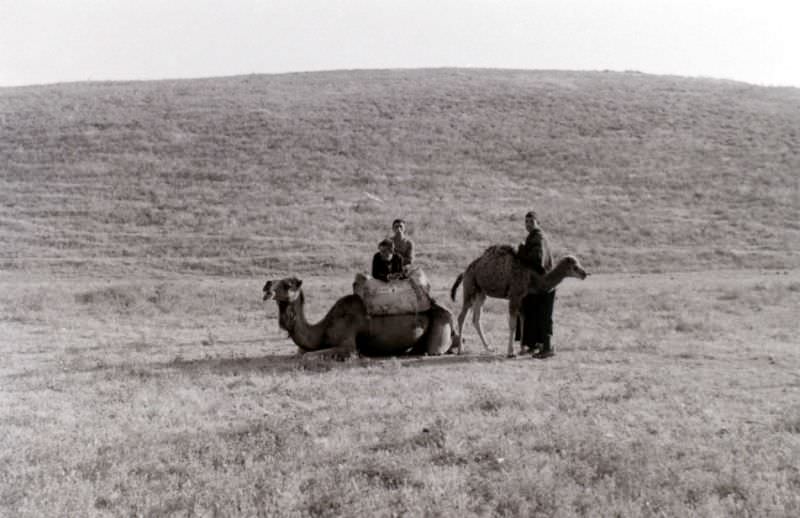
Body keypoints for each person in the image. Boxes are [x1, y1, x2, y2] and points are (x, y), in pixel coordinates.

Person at [515, 210, 556, 358]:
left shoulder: (538, 237)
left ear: (538, 223)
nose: (528, 225)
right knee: (531, 312)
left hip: (543, 284)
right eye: (526, 222)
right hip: (539, 284)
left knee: (542, 316)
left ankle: (547, 348)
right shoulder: (534, 236)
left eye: (531, 222)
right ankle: (533, 345)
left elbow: (537, 259)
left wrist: (521, 250)